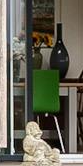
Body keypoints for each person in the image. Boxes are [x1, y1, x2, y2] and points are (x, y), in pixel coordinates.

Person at [28, 15, 68, 154]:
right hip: (51, 107)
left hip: (32, 107)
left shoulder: (32, 76)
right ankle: (67, 148)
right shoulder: (52, 77)